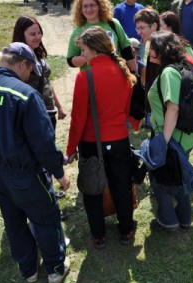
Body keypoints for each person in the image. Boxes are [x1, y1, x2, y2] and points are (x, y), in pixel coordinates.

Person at [0, 42, 71, 283]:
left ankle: (28, 270)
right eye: (30, 71)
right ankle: (55, 269)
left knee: (13, 219)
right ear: (22, 64)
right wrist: (59, 173)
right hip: (25, 174)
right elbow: (43, 143)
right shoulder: (26, 95)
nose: (29, 76)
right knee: (45, 216)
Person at [66, 26, 137, 249]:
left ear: (95, 49)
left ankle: (99, 235)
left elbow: (78, 118)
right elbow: (128, 111)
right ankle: (126, 230)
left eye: (84, 49)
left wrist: (70, 149)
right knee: (122, 186)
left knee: (92, 188)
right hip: (119, 139)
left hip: (91, 142)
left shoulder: (86, 76)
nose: (82, 54)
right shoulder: (123, 69)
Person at [12, 16, 69, 220]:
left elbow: (47, 83)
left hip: (48, 113)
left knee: (48, 157)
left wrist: (59, 107)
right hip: (34, 116)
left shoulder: (37, 53)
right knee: (41, 159)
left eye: (39, 32)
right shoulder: (17, 59)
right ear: (22, 35)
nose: (37, 37)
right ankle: (46, 202)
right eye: (32, 34)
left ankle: (50, 193)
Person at [146, 31, 193, 231]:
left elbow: (173, 107)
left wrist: (163, 143)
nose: (149, 51)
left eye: (153, 47)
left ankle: (168, 221)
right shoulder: (180, 67)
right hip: (183, 136)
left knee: (161, 181)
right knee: (179, 177)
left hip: (173, 137)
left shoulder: (168, 72)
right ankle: (184, 218)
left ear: (163, 50)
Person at [67, 0, 136, 72]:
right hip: (91, 79)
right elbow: (70, 61)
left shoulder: (113, 24)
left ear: (100, 6)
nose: (89, 9)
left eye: (92, 5)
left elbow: (127, 49)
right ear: (80, 9)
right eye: (85, 6)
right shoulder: (77, 31)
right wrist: (88, 56)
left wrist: (134, 74)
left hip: (116, 75)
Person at [134, 7, 160, 127]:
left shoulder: (161, 48)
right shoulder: (149, 44)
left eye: (142, 28)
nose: (138, 32)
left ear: (154, 26)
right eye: (137, 28)